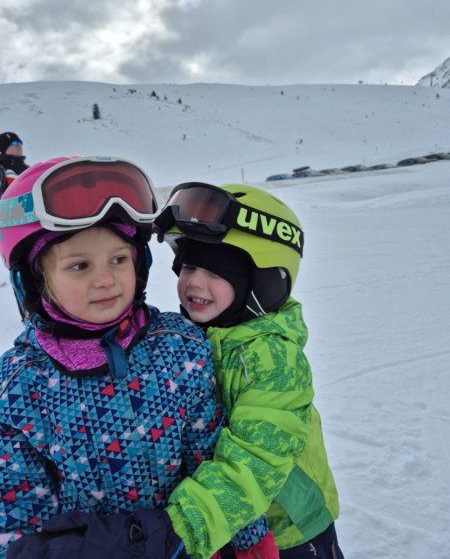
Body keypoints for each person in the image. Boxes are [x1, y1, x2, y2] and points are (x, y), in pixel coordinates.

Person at [0, 157, 275, 559]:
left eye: (118, 259)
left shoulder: (178, 346)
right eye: (79, 265)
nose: (105, 280)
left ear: (139, 263)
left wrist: (249, 537)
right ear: (35, 281)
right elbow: (20, 517)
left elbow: (209, 455)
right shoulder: (20, 385)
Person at [151, 182, 344, 558]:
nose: (194, 282)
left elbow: (255, 462)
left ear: (263, 282)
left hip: (289, 531)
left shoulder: (274, 360)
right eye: (189, 266)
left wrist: (177, 531)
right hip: (225, 526)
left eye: (216, 272)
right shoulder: (186, 338)